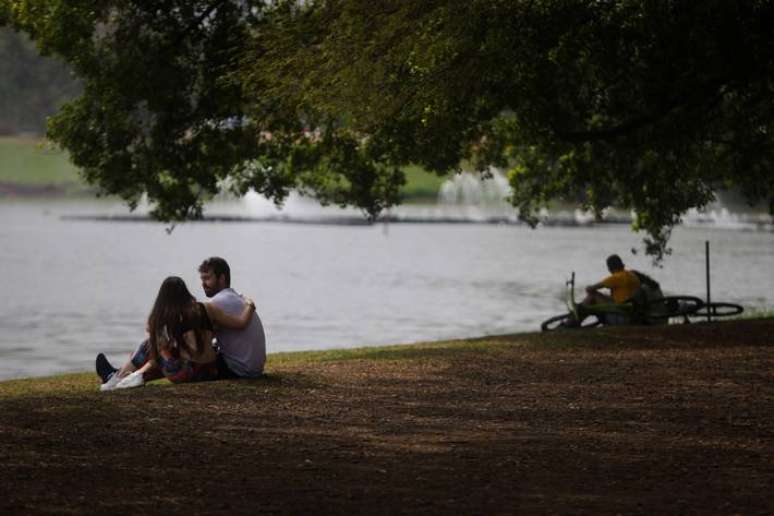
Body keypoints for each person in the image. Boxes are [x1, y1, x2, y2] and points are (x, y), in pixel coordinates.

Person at [96, 257, 266, 390]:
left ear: (222, 278)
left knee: (151, 346)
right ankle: (121, 375)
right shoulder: (228, 302)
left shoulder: (214, 304)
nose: (202, 284)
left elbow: (156, 357)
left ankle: (119, 376)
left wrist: (141, 370)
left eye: (207, 278)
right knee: (172, 350)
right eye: (202, 279)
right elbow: (239, 324)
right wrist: (250, 305)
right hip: (218, 369)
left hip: (233, 370)